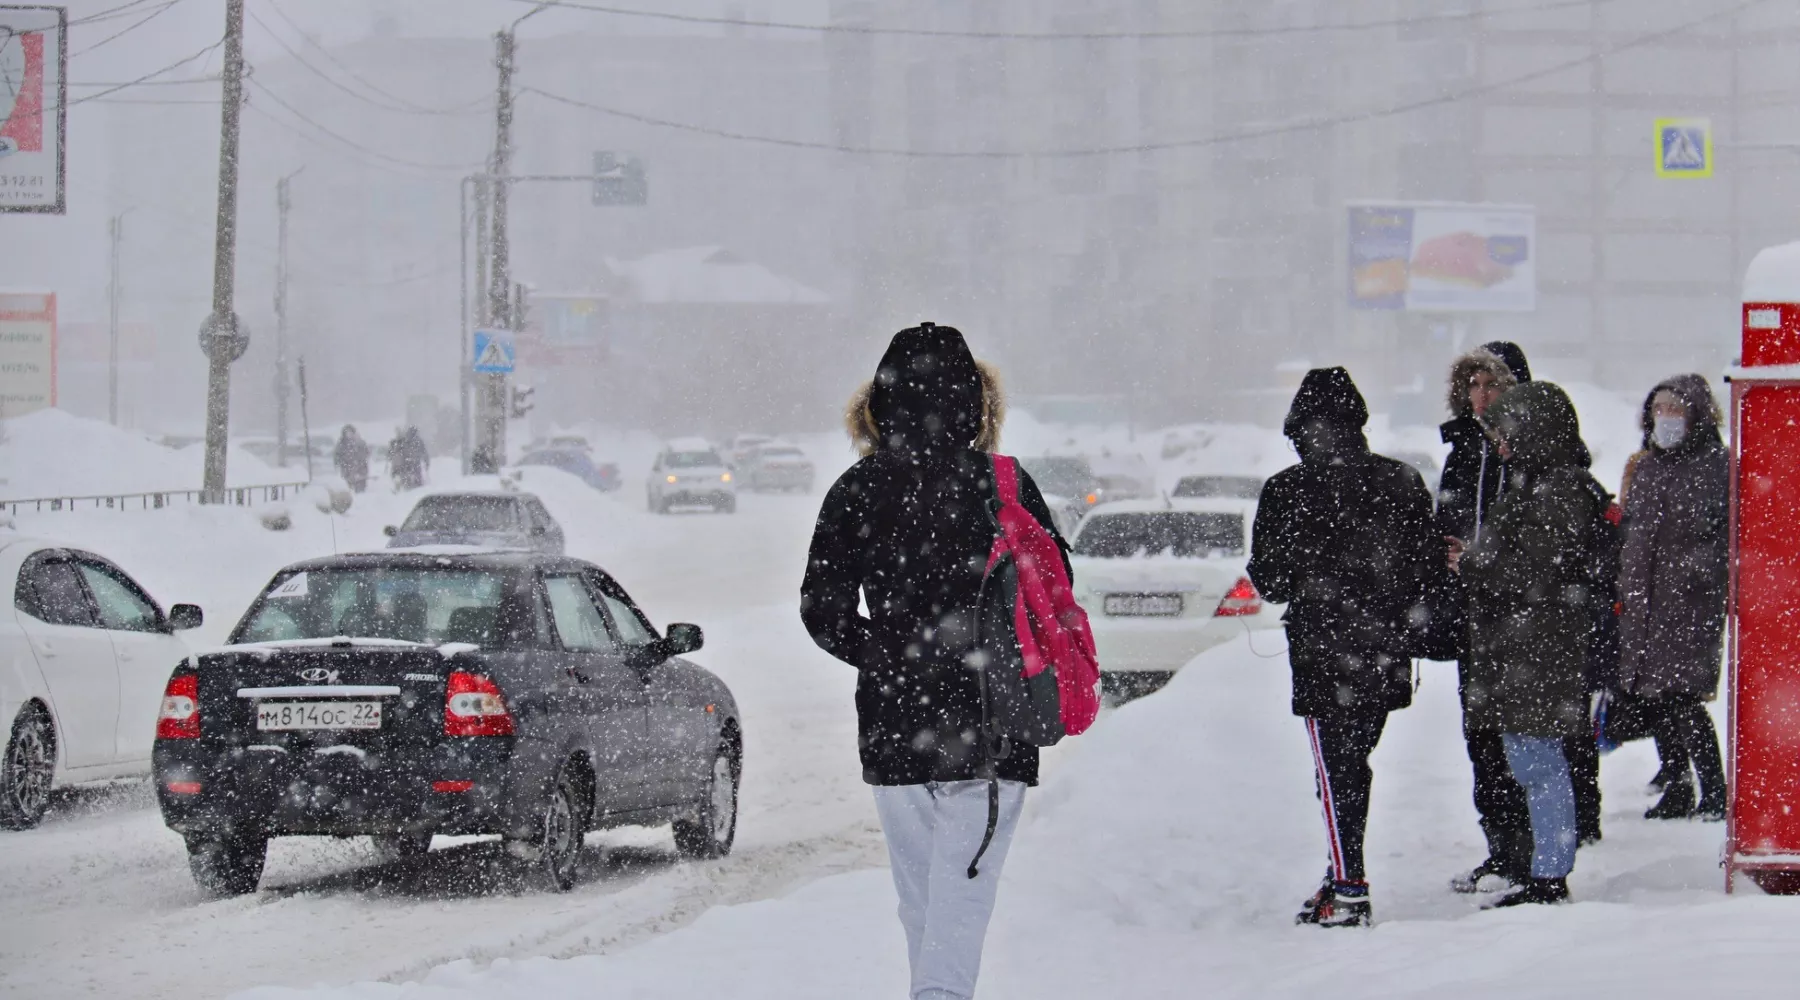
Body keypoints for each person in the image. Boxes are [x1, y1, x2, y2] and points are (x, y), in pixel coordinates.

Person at [800, 323, 1066, 1000]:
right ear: (977, 403)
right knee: (962, 894)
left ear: (879, 402)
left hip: (897, 722)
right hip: (995, 714)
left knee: (922, 898)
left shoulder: (857, 489)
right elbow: (1055, 589)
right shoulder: (1003, 484)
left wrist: (890, 656)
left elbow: (822, 612)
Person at [1247, 366, 1438, 929]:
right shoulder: (1400, 480)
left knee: (1337, 770)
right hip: (1383, 649)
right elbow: (1426, 569)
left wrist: (1310, 573)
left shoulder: (1287, 489)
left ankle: (1350, 884)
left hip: (1322, 651)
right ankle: (1340, 872)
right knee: (1353, 764)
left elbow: (1271, 580)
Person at [1458, 381, 1604, 907]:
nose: (1499, 445)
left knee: (1539, 763)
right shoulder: (1539, 483)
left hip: (1540, 647)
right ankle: (1544, 870)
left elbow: (1533, 568)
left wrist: (1472, 563)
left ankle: (1549, 877)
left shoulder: (1559, 488)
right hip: (1527, 647)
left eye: (1505, 433)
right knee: (1531, 761)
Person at [1432, 348, 1532, 893]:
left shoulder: (1527, 452)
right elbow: (1445, 519)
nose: (1481, 393)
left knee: (1519, 737)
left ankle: (1530, 854)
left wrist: (1480, 556)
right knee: (1481, 738)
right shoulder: (1463, 450)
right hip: (1469, 615)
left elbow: (1538, 538)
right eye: (1472, 383)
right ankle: (1500, 847)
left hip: (1519, 618)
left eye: (1492, 382)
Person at [1617, 375, 1729, 821]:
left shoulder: (1718, 467)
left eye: (1676, 410)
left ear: (1697, 416)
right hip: (1645, 603)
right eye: (1659, 409)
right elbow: (1633, 530)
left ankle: (1714, 790)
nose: (1666, 419)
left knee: (1683, 698)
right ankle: (1677, 785)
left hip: (1690, 604)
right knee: (1656, 697)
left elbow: (1725, 539)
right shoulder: (1646, 467)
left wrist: (1696, 573)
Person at [333, 425, 370, 493]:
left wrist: (360, 461)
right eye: (347, 433)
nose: (349, 435)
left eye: (350, 432)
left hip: (359, 470)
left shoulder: (360, 443)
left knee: (360, 490)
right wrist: (339, 462)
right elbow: (337, 455)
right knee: (348, 488)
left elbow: (366, 453)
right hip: (347, 469)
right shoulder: (342, 443)